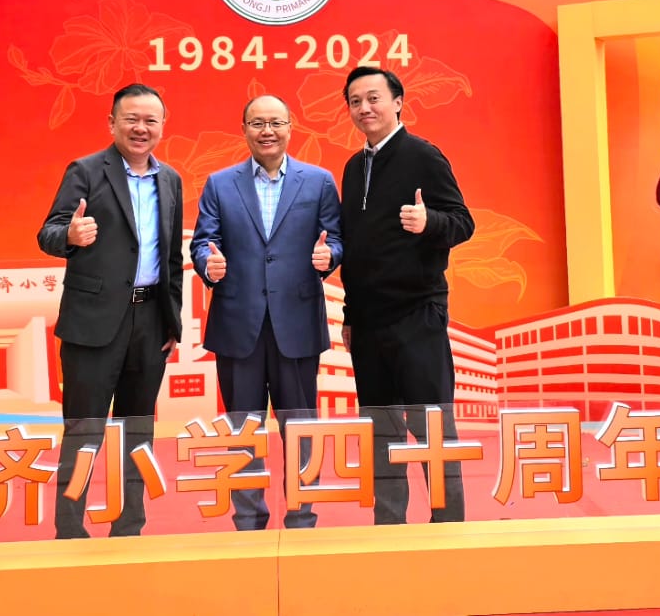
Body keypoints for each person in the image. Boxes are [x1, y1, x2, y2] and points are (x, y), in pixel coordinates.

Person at [190, 94, 344, 531]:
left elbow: (336, 239)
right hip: (238, 323)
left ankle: (303, 517)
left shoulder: (318, 182)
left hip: (297, 322)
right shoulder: (220, 183)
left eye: (276, 122)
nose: (267, 131)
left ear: (290, 127)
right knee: (243, 430)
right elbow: (203, 242)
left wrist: (329, 256)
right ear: (244, 130)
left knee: (301, 431)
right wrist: (207, 263)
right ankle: (248, 521)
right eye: (257, 123)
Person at [37, 83, 184, 539]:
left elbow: (171, 257)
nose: (141, 128)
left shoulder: (170, 179)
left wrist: (172, 321)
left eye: (150, 120)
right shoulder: (85, 171)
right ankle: (69, 529)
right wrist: (70, 235)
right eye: (131, 119)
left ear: (162, 126)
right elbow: (48, 232)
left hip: (150, 322)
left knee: (138, 432)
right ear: (112, 123)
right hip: (93, 324)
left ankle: (129, 525)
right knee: (84, 431)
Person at [338, 66, 475, 525]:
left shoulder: (423, 156)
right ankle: (390, 526)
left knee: (431, 424)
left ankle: (447, 526)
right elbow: (356, 248)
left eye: (374, 98)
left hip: (417, 315)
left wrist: (428, 222)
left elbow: (463, 222)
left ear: (398, 102)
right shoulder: (354, 168)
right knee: (381, 431)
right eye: (355, 101)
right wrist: (350, 314)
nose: (365, 108)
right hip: (368, 321)